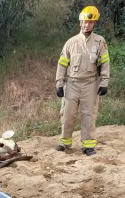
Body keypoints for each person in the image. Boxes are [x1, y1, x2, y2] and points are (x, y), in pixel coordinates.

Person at [55, 6, 110, 156]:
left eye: (90, 22)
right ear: (80, 22)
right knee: (67, 114)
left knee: (88, 115)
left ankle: (88, 145)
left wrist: (104, 82)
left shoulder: (100, 42)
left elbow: (105, 63)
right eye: (85, 22)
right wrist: (59, 83)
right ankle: (65, 142)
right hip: (72, 83)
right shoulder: (71, 43)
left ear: (94, 23)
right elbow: (62, 64)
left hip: (90, 84)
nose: (87, 25)